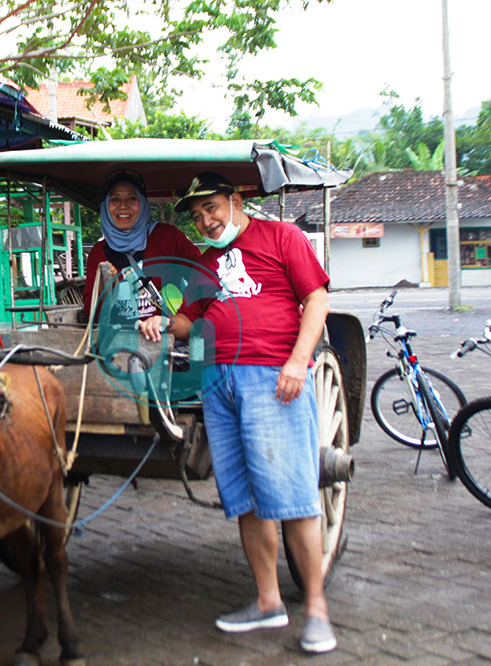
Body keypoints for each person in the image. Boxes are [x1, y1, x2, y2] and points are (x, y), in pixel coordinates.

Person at [139, 172, 336, 654]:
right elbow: (192, 322)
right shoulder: (207, 262)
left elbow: (317, 298)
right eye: (198, 214)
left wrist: (296, 361)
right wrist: (163, 321)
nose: (206, 220)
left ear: (236, 199)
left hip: (272, 379)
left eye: (212, 208)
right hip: (219, 385)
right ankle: (268, 600)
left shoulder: (282, 238)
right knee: (244, 497)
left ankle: (316, 610)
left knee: (291, 495)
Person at [83, 171, 201, 321]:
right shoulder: (99, 252)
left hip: (169, 338)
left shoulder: (168, 237)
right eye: (115, 199)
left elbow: (202, 279)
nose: (123, 206)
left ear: (143, 203)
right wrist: (105, 287)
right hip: (120, 339)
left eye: (132, 198)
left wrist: (179, 320)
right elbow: (92, 314)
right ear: (106, 206)